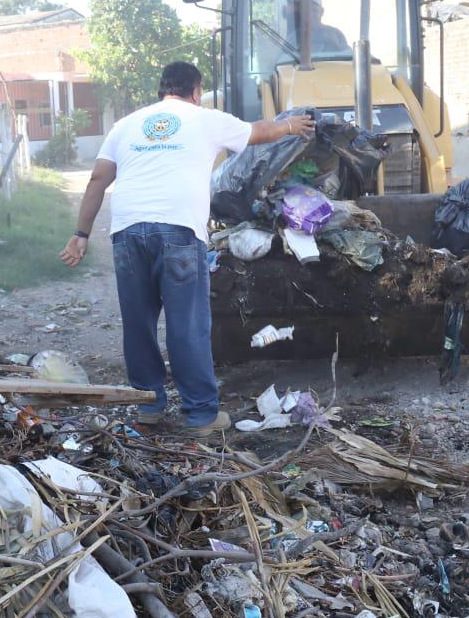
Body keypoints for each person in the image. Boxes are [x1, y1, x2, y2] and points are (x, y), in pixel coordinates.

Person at [58, 62, 315, 435]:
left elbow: (99, 178)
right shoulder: (203, 118)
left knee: (138, 324)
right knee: (187, 325)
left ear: (162, 90)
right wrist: (291, 126)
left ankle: (147, 406)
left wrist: (80, 233)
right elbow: (258, 132)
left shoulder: (126, 125)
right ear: (196, 92)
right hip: (177, 228)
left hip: (128, 231)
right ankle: (200, 416)